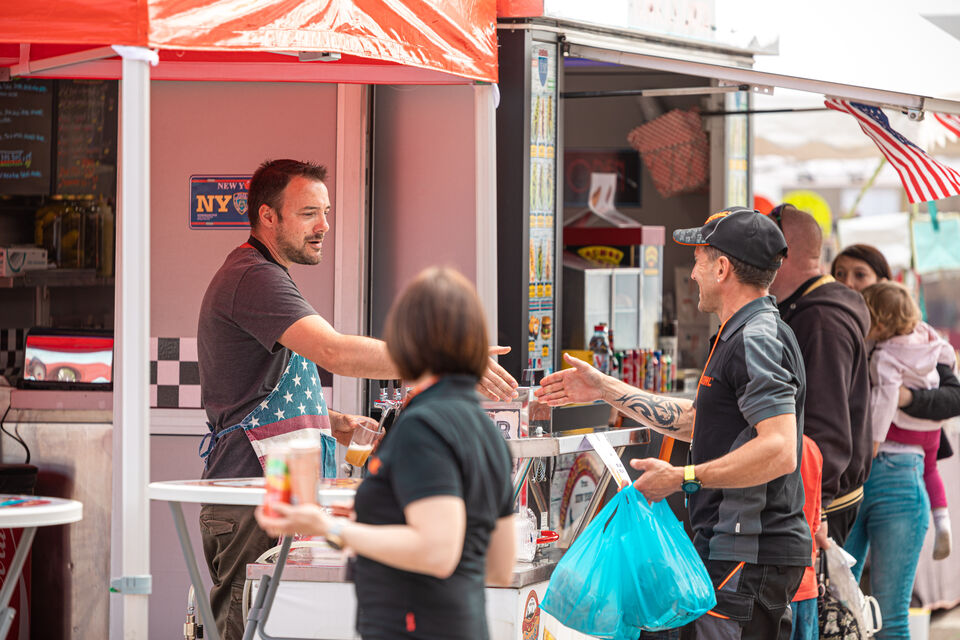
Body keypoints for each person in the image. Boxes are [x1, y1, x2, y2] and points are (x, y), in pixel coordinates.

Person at [197, 159, 517, 639]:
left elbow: (253, 397)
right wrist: (444, 358)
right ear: (267, 216)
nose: (324, 226)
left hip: (278, 494)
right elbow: (334, 351)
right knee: (250, 629)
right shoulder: (253, 276)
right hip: (252, 497)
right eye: (308, 213)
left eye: (326, 212)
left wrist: (333, 421)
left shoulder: (268, 275)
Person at [537, 207, 811, 640]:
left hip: (747, 553)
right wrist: (605, 388)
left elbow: (778, 449)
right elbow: (694, 422)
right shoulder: (743, 332)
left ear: (722, 268)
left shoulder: (756, 337)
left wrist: (683, 477)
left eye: (698, 259)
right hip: (737, 553)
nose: (692, 274)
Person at [256, 266, 516, 639]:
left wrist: (328, 526)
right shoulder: (484, 431)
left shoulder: (423, 426)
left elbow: (437, 551)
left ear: (405, 339)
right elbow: (498, 566)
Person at [768, 204, 872, 546]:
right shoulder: (806, 308)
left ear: (783, 252)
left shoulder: (822, 319)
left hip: (818, 503)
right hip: (811, 496)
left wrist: (817, 507)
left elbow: (827, 423)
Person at [832, 243, 960, 465]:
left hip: (895, 458)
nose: (847, 283)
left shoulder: (908, 335)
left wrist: (905, 397)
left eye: (859, 275)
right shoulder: (827, 330)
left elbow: (954, 398)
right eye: (839, 274)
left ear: (882, 284)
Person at [861, 281, 957, 560]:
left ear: (878, 323)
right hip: (931, 432)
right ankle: (942, 522)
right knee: (930, 471)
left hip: (902, 432)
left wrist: (874, 441)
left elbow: (885, 401)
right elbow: (947, 352)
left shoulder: (885, 356)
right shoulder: (925, 334)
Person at [791, 435, 824, 640]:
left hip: (775, 590)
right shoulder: (811, 447)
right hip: (807, 582)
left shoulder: (758, 444)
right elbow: (815, 523)